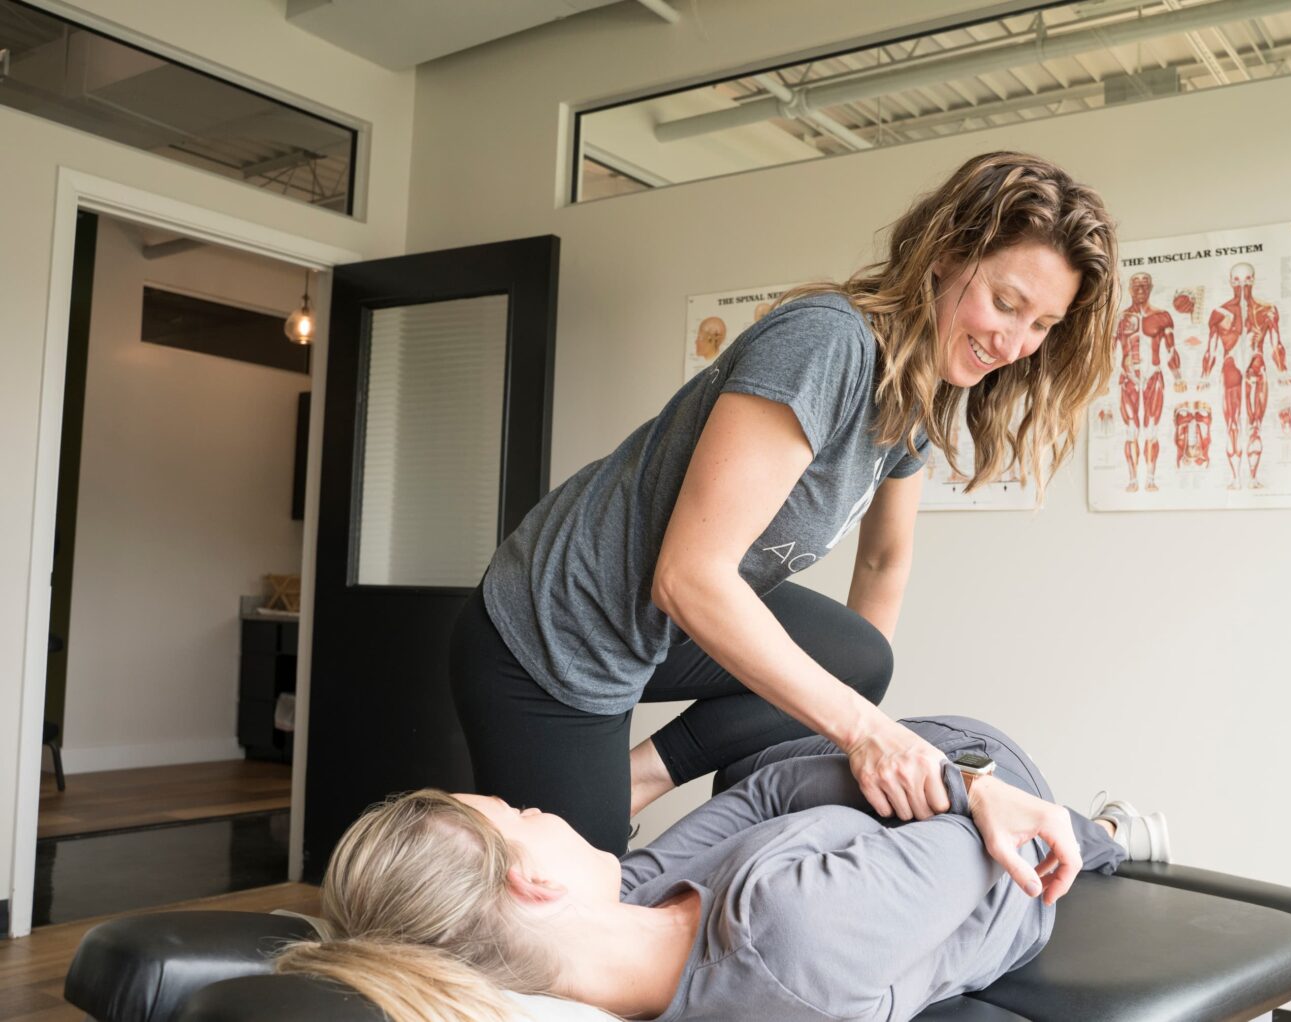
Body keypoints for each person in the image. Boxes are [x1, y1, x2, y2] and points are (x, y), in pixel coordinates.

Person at [450, 151, 1120, 858]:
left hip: (654, 624)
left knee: (858, 661)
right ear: (946, 254)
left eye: (1043, 324)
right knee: (566, 915)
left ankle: (634, 776)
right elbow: (689, 577)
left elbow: (886, 558)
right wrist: (866, 735)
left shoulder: (916, 389)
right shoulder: (827, 343)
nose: (1014, 344)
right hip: (556, 631)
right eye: (1006, 303)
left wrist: (853, 732)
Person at [277, 716, 1171, 1022]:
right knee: (1034, 819)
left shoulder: (623, 899)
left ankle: (1094, 826)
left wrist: (834, 798)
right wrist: (966, 782)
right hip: (1004, 815)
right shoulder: (790, 936)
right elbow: (995, 838)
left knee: (761, 767)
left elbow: (771, 789)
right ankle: (1103, 833)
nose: (537, 807)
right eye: (517, 816)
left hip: (889, 809)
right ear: (532, 884)